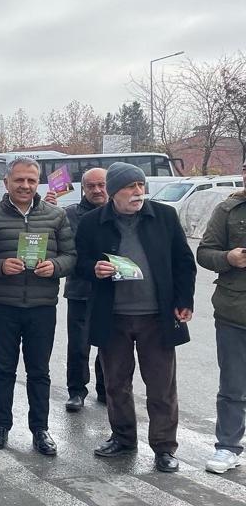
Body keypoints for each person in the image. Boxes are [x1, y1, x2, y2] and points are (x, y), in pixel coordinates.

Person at [76, 162, 195, 473]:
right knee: (116, 383)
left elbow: (184, 261)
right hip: (112, 317)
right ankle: (123, 437)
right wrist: (94, 269)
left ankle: (164, 448)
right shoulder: (92, 222)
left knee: (161, 387)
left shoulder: (164, 217)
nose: (138, 192)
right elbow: (80, 262)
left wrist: (184, 301)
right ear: (114, 192)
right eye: (130, 187)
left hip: (157, 316)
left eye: (141, 185)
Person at [0, 156, 75, 456]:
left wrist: (54, 266)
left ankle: (40, 429)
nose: (25, 186)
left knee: (39, 371)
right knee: (4, 368)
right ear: (7, 183)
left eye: (31, 180)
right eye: (19, 180)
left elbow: (71, 256)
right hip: (4, 305)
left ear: (37, 182)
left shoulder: (56, 216)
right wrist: (1, 267)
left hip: (42, 305)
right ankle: (1, 424)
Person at [198, 174, 246, 474]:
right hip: (234, 312)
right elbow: (204, 253)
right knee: (233, 386)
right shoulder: (227, 211)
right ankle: (227, 447)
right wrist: (227, 257)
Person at [62, 167, 108, 412]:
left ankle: (105, 388)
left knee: (109, 342)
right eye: (91, 186)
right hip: (80, 288)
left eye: (101, 185)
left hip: (113, 290)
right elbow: (69, 252)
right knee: (79, 344)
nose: (97, 190)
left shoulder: (120, 212)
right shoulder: (71, 214)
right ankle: (76, 391)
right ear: (83, 188)